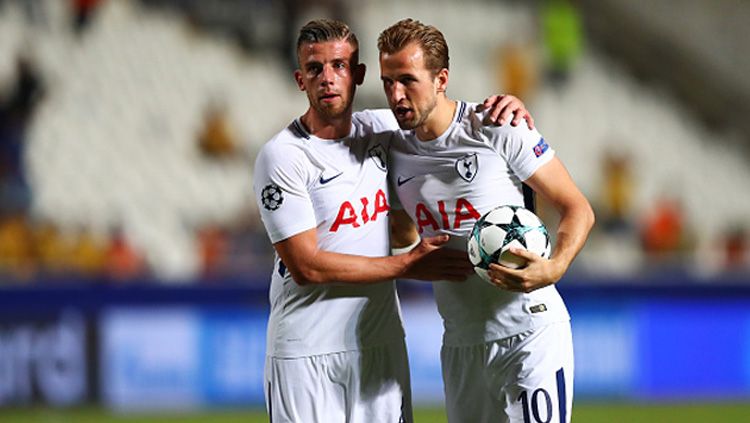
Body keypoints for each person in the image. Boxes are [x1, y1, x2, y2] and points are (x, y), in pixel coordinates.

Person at [253, 19, 534, 423]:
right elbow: (306, 265)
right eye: (315, 69)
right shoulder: (283, 157)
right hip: (305, 352)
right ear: (300, 79)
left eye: (339, 66)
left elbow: (446, 117)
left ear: (359, 74)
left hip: (379, 347)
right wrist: (405, 265)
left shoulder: (384, 130)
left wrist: (506, 110)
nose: (327, 79)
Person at [378, 19, 595, 423]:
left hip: (528, 331)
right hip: (461, 343)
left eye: (407, 80)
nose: (396, 94)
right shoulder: (391, 152)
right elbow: (405, 234)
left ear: (441, 78)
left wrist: (555, 267)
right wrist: (408, 257)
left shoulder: (496, 126)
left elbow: (577, 207)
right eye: (388, 81)